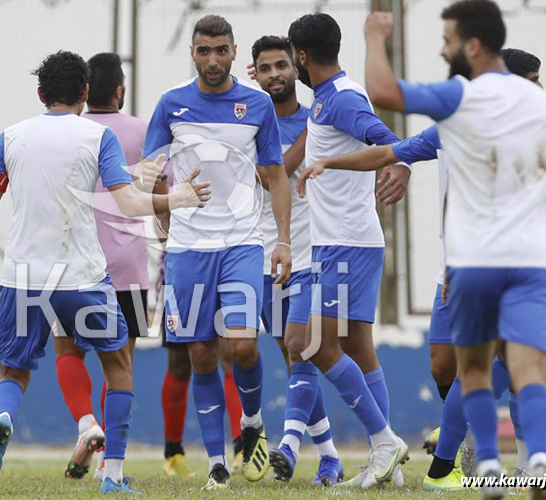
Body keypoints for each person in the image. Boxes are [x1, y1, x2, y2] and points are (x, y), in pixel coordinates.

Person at [361, 2, 546, 497]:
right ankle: (533, 459)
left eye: (447, 39)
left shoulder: (459, 103)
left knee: (477, 371)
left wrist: (375, 37)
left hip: (472, 262)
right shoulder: (542, 111)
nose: (443, 48)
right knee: (519, 368)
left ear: (471, 48)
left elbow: (383, 92)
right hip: (525, 263)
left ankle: (478, 463)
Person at [0, 50, 209, 494]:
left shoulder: (9, 138)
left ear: (40, 94)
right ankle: (111, 474)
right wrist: (178, 198)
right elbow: (128, 203)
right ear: (85, 93)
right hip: (82, 278)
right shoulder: (97, 138)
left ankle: (3, 418)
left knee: (13, 373)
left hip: (22, 278)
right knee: (118, 366)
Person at [143, 14, 293, 490]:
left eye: (221, 50)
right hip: (188, 248)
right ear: (193, 52)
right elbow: (151, 172)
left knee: (243, 343)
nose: (212, 60)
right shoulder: (171, 104)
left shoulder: (256, 104)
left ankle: (251, 421)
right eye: (204, 51)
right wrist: (162, 213)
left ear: (234, 52)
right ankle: (216, 464)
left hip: (242, 243)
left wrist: (284, 240)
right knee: (201, 354)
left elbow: (276, 174)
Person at [287, 12, 410, 488]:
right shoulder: (326, 99)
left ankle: (384, 442)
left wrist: (401, 162)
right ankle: (390, 463)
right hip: (347, 241)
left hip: (344, 244)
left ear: (301, 57)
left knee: (309, 343)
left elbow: (387, 139)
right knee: (357, 346)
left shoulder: (340, 99)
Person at [52, 52, 153, 480]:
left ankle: (85, 423)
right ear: (120, 90)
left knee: (67, 349)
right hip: (127, 262)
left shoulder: (63, 132)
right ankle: (110, 465)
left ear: (85, 90)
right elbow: (157, 186)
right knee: (121, 364)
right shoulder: (141, 130)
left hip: (74, 259)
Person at [246, 35, 342, 486]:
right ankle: (330, 456)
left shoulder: (319, 118)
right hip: (262, 256)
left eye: (281, 65)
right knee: (292, 357)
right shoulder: (246, 124)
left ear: (296, 68)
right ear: (255, 74)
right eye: (264, 69)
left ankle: (288, 446)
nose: (274, 75)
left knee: (302, 350)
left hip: (311, 254)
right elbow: (272, 177)